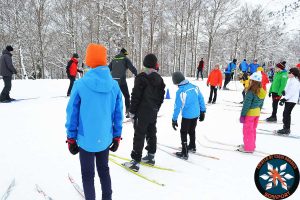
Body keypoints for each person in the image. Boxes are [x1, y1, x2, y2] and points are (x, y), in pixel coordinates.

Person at [65, 43, 123, 200]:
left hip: (85, 139)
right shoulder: (114, 86)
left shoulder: (80, 84)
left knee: (87, 175)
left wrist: (71, 138)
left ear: (89, 60)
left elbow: (72, 114)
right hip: (105, 137)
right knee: (104, 171)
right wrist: (117, 136)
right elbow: (118, 114)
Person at [123, 54, 165, 172]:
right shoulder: (159, 79)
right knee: (151, 131)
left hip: (142, 112)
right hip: (152, 111)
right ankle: (151, 156)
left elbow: (136, 96)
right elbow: (161, 97)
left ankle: (135, 162)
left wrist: (131, 111)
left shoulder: (141, 77)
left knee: (139, 134)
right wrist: (156, 108)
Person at [171, 71, 206, 159]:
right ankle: (192, 146)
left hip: (187, 115)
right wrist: (202, 111)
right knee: (192, 130)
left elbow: (177, 107)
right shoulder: (194, 87)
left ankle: (184, 152)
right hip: (196, 114)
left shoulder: (180, 91)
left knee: (183, 132)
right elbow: (201, 99)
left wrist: (174, 119)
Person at [238, 71, 266, 153]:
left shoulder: (251, 92)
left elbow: (246, 105)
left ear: (252, 81)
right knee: (252, 130)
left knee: (247, 131)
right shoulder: (262, 91)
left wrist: (243, 115)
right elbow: (261, 104)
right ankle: (250, 145)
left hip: (250, 114)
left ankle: (249, 148)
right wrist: (258, 111)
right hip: (256, 113)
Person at [109, 48, 137, 117]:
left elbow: (108, 68)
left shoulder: (114, 59)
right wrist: (136, 74)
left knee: (114, 97)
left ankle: (111, 113)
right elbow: (131, 67)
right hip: (122, 81)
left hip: (113, 81)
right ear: (124, 54)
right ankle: (128, 112)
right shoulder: (125, 59)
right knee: (126, 96)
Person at [277, 68, 300, 134]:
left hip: (292, 100)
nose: (288, 74)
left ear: (293, 74)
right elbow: (287, 88)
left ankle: (287, 129)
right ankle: (286, 128)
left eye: (290, 73)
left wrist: (285, 98)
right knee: (286, 113)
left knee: (286, 113)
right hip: (288, 99)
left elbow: (292, 92)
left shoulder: (295, 82)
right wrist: (284, 91)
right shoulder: (290, 80)